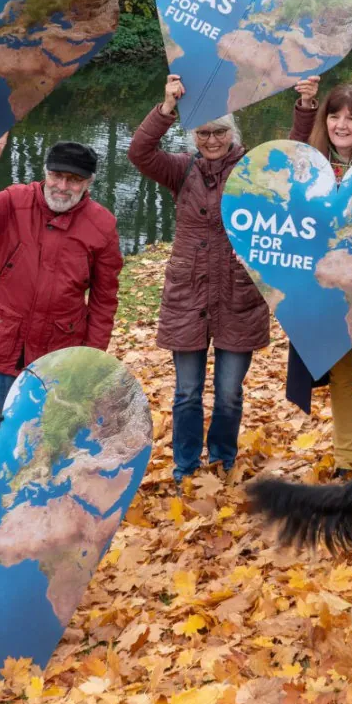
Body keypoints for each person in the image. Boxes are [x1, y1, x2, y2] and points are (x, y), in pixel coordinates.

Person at [128, 75, 269, 489]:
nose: (211, 140)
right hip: (188, 295)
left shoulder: (253, 169)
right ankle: (185, 465)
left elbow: (292, 162)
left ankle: (223, 458)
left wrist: (305, 110)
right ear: (193, 135)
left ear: (233, 133)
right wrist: (167, 107)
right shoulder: (181, 169)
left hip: (238, 295)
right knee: (186, 391)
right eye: (204, 132)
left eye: (219, 131)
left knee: (229, 392)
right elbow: (139, 152)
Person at [0, 134, 123, 416]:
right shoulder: (14, 201)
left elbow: (104, 301)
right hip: (0, 348)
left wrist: (89, 358)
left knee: (43, 440)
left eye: (74, 180)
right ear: (45, 173)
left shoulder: (102, 225)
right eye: (56, 176)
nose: (63, 187)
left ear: (89, 182)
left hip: (58, 357)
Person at [284, 76, 352, 477]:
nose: (342, 126)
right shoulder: (311, 166)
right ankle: (347, 458)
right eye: (334, 117)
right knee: (340, 373)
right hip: (326, 292)